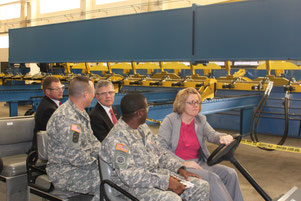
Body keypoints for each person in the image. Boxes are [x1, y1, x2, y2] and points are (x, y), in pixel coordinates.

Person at [100, 93, 210, 201]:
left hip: (156, 176)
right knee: (171, 199)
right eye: (146, 108)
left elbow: (160, 153)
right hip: (131, 187)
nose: (148, 111)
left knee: (201, 186)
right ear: (139, 113)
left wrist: (179, 168)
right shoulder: (117, 139)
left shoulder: (142, 128)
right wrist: (166, 181)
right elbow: (129, 176)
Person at [158, 87, 244, 201]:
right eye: (192, 102)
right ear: (182, 104)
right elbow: (161, 148)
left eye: (198, 102)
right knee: (212, 178)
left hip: (200, 163)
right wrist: (183, 163)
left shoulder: (200, 120)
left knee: (230, 173)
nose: (196, 105)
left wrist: (222, 137)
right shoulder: (170, 121)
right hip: (179, 165)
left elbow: (212, 134)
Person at [46, 76, 101, 201]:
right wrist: (100, 164)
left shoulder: (80, 113)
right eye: (94, 92)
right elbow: (75, 157)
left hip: (81, 167)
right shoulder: (67, 119)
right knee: (110, 180)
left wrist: (106, 155)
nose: (95, 95)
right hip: (66, 173)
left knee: (115, 175)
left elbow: (92, 141)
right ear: (86, 94)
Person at [32, 76, 64, 151]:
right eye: (57, 89)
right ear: (47, 91)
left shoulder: (51, 104)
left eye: (61, 88)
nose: (61, 91)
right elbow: (59, 132)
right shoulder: (49, 109)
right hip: (45, 148)